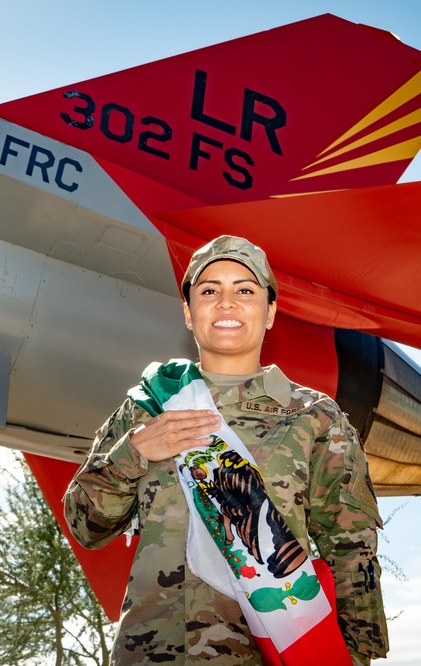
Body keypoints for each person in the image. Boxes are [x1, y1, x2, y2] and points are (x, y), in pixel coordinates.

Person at [64, 236, 388, 664]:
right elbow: (86, 527)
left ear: (269, 312)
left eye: (245, 290)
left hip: (263, 652)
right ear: (188, 312)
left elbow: (351, 547)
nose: (227, 303)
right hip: (148, 652)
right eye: (210, 290)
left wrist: (357, 655)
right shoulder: (147, 407)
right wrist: (136, 452)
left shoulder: (314, 416)